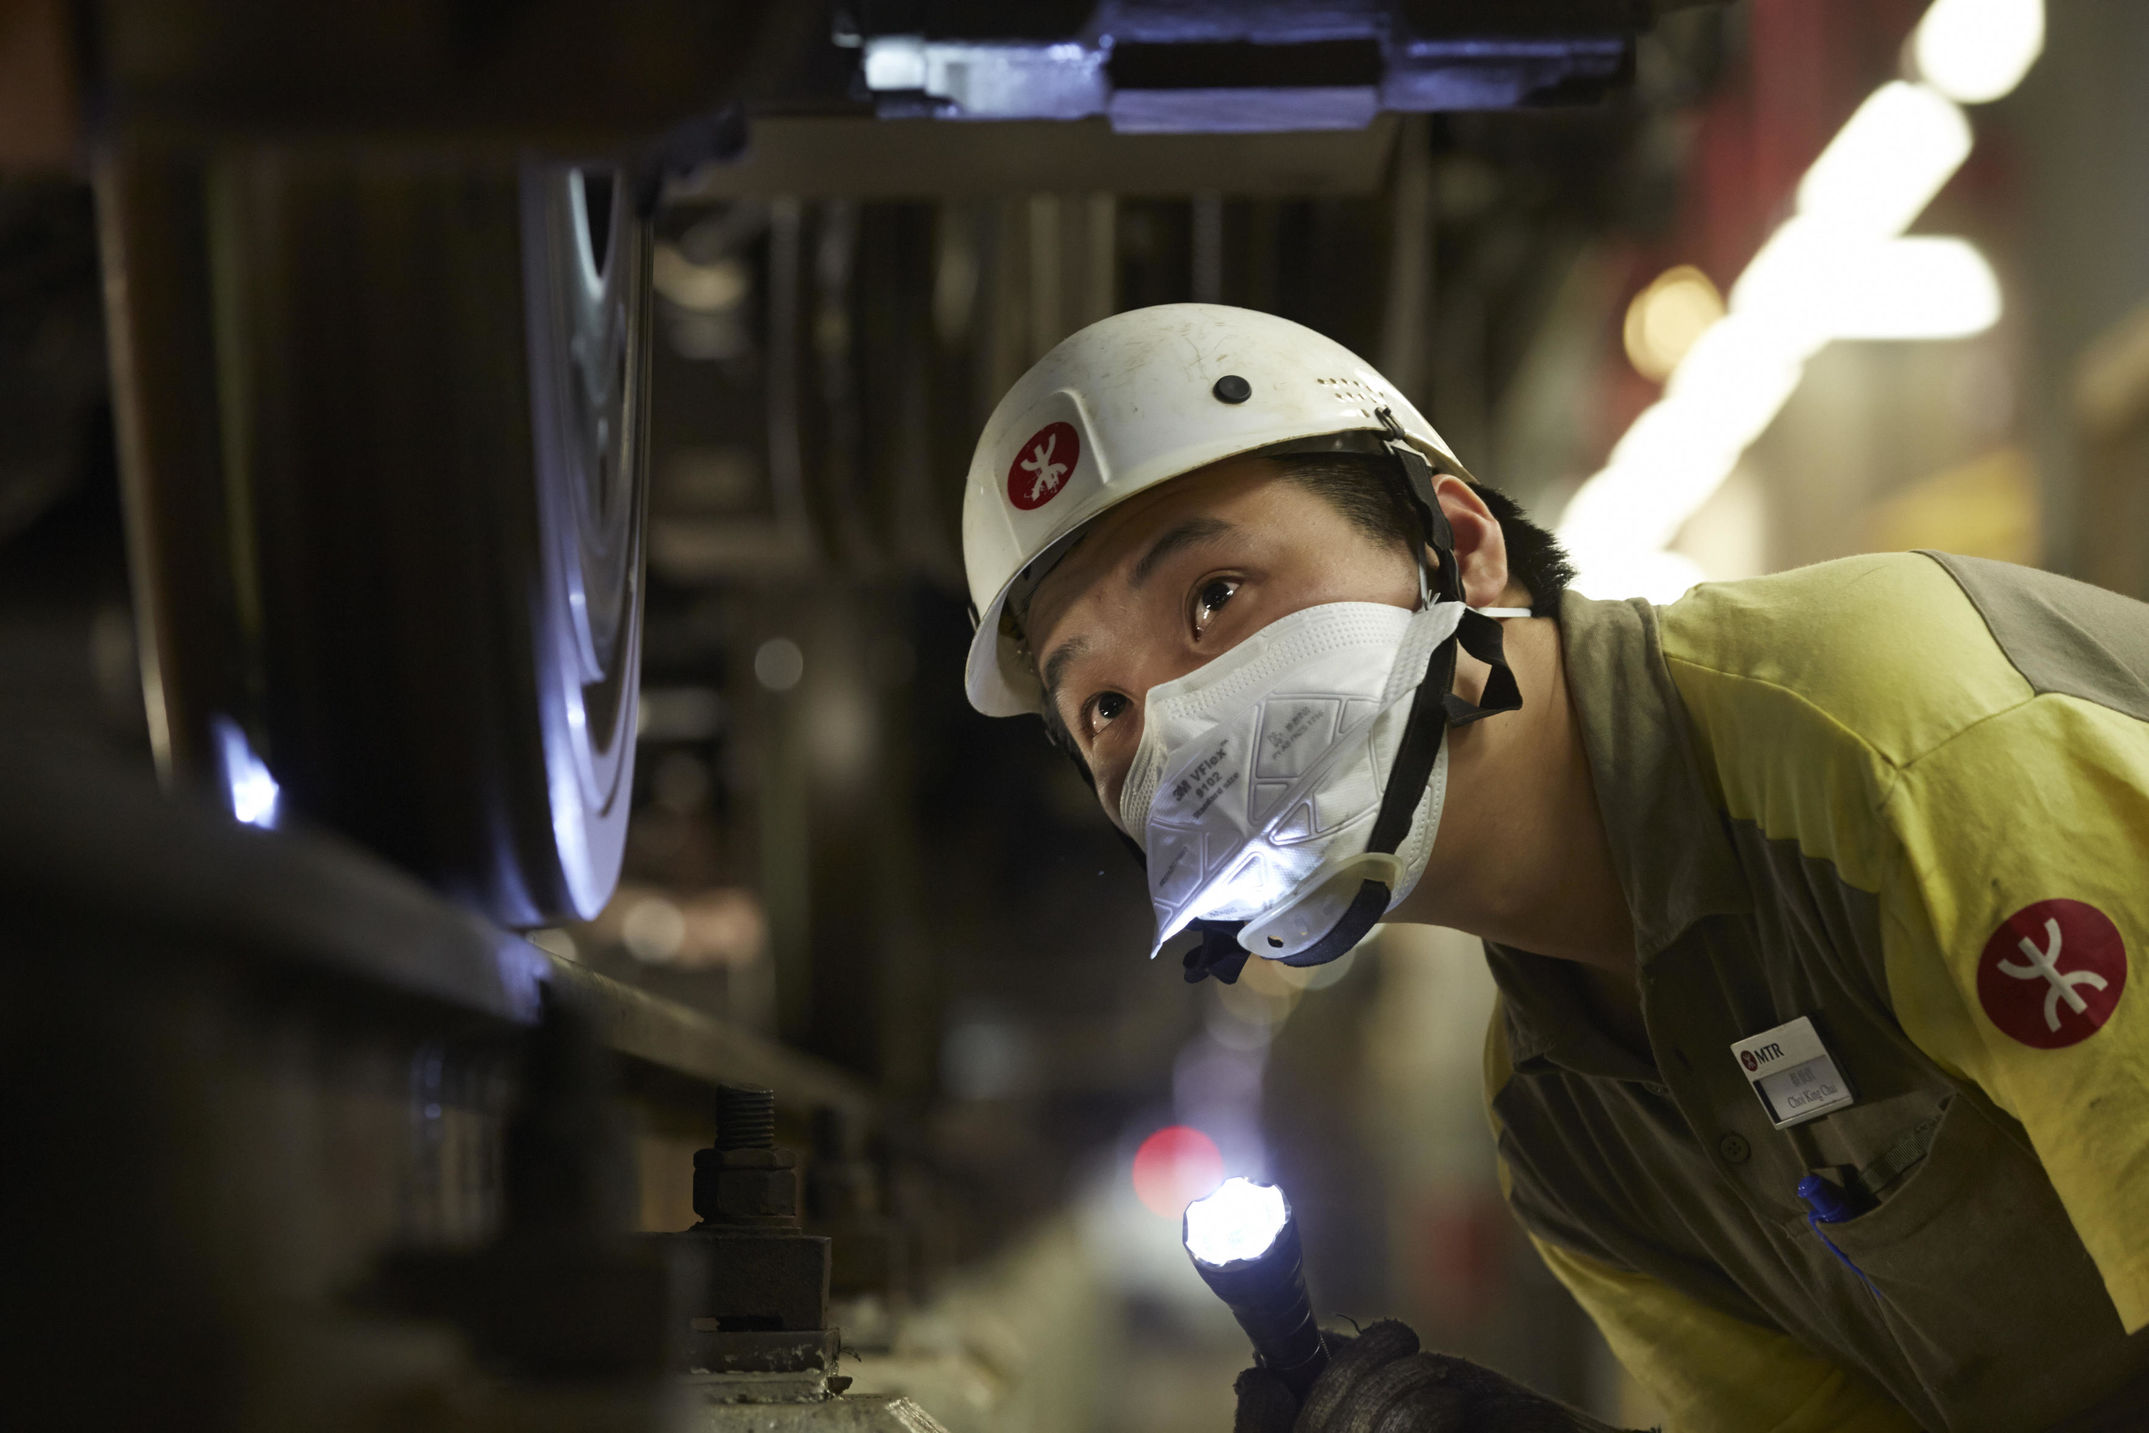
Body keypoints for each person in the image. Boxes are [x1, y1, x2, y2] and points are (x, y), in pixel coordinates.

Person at [956, 304, 2149, 1432]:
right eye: (1103, 705)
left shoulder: (1886, 740)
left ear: (1459, 547)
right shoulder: (1557, 1118)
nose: (1179, 723)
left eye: (1216, 596)